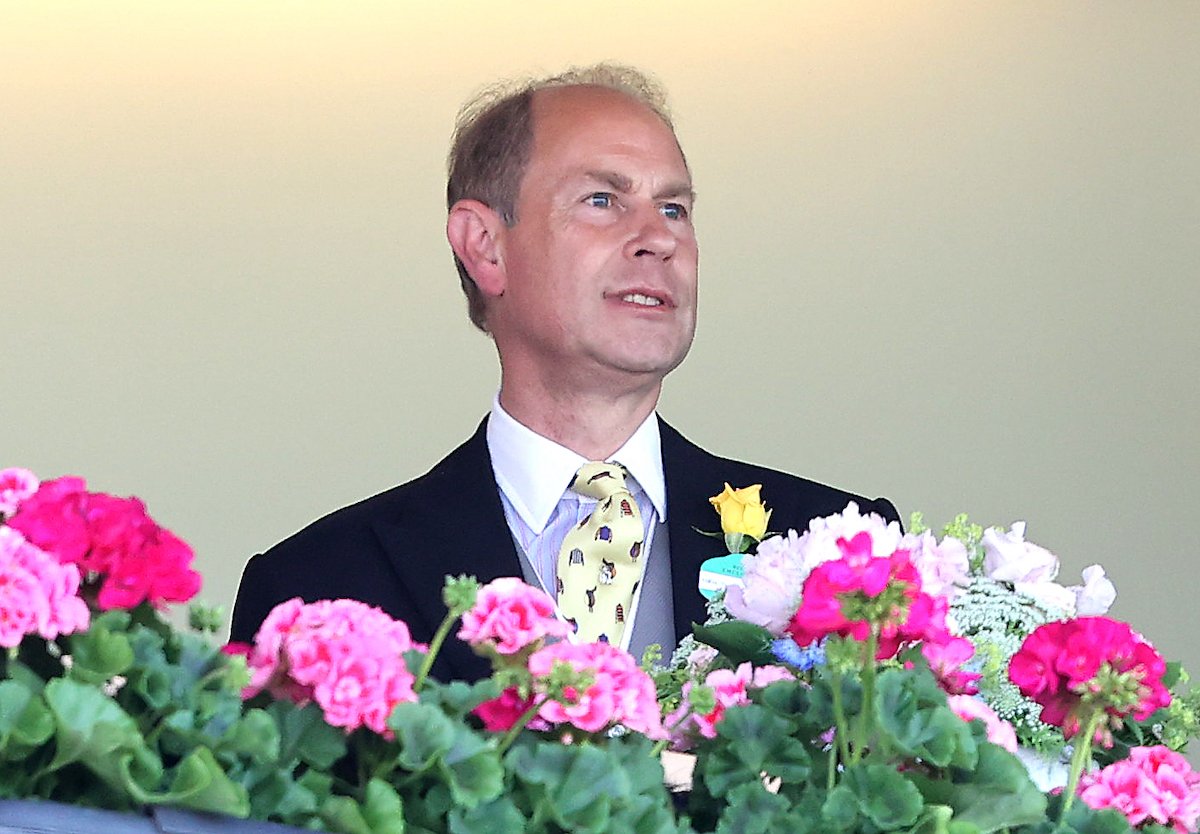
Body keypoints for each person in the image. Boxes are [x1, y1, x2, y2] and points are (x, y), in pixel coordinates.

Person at [230, 64, 898, 680]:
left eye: (674, 208)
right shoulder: (316, 586)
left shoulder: (840, 550)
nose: (660, 238)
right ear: (484, 247)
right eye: (604, 200)